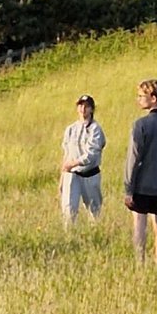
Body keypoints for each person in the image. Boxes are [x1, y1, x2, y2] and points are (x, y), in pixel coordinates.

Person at [123, 78, 157, 265]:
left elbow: (133, 158)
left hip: (142, 185)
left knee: (140, 224)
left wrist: (128, 188)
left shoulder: (141, 125)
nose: (138, 100)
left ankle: (140, 262)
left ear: (153, 98)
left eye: (141, 96)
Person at [60, 94, 106, 223]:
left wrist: (73, 163)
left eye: (86, 106)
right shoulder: (70, 129)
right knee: (69, 209)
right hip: (71, 174)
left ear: (91, 109)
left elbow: (91, 155)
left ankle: (96, 236)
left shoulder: (95, 129)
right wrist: (62, 177)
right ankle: (69, 238)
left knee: (94, 211)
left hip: (90, 174)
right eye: (80, 106)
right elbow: (66, 154)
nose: (83, 109)